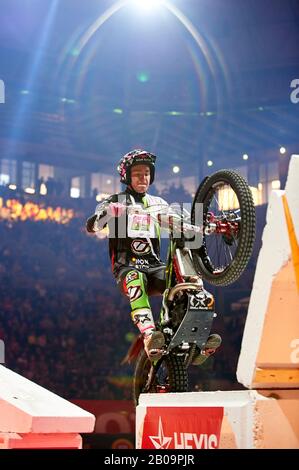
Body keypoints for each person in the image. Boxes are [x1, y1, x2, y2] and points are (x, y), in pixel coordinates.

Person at [86, 149, 221, 362]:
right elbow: (92, 226)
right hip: (127, 267)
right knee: (135, 278)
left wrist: (200, 227)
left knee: (185, 283)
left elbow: (180, 225)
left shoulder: (159, 203)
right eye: (138, 173)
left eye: (147, 173)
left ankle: (196, 338)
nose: (144, 177)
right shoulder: (115, 201)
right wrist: (108, 213)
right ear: (127, 176)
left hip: (154, 266)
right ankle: (149, 335)